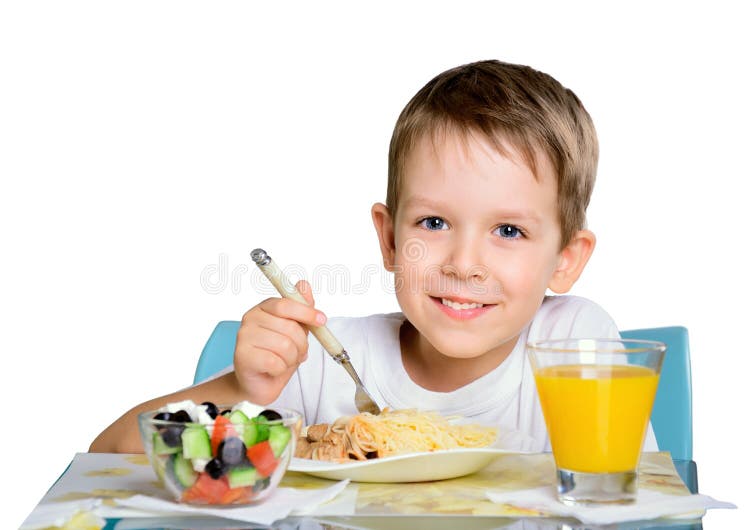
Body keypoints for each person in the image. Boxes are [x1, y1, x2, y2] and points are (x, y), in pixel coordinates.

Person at [90, 59, 657, 454]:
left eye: (509, 230)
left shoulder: (573, 347)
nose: (464, 263)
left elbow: (632, 501)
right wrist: (243, 392)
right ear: (389, 240)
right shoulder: (320, 363)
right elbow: (109, 454)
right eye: (434, 223)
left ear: (566, 258)